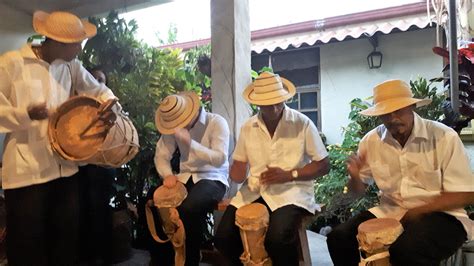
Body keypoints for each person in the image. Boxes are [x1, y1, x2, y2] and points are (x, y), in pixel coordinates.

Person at [0, 10, 119, 265]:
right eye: (77, 42)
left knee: (65, 244)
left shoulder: (72, 66)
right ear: (57, 42)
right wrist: (26, 114)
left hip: (66, 168)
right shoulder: (12, 63)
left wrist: (111, 106)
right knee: (27, 247)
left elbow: (100, 90)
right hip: (25, 173)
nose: (80, 47)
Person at [326, 79, 474, 266]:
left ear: (412, 106)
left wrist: (420, 210)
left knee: (406, 250)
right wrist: (354, 177)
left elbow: (465, 194)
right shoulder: (371, 141)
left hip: (444, 215)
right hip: (391, 212)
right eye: (386, 113)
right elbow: (357, 191)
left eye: (399, 110)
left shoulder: (444, 137)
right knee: (338, 238)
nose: (393, 117)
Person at [214, 71, 330, 266]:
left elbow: (324, 165)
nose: (275, 107)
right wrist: (235, 171)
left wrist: (289, 175)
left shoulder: (302, 123)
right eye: (268, 104)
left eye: (279, 101)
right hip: (254, 191)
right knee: (223, 238)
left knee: (277, 240)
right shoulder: (248, 127)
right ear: (258, 103)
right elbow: (239, 169)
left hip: (292, 192)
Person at [154, 91, 230, 265]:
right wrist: (167, 175)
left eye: (181, 120)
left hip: (213, 178)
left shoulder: (216, 122)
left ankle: (191, 259)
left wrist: (190, 143)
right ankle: (162, 259)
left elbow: (220, 159)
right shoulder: (173, 126)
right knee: (154, 200)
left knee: (189, 208)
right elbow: (161, 156)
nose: (178, 125)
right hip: (184, 176)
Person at [77, 66, 116, 265]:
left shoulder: (110, 106)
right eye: (92, 78)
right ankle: (88, 255)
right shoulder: (76, 107)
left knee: (100, 209)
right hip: (82, 165)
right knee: (84, 209)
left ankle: (104, 255)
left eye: (101, 79)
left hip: (103, 165)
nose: (96, 82)